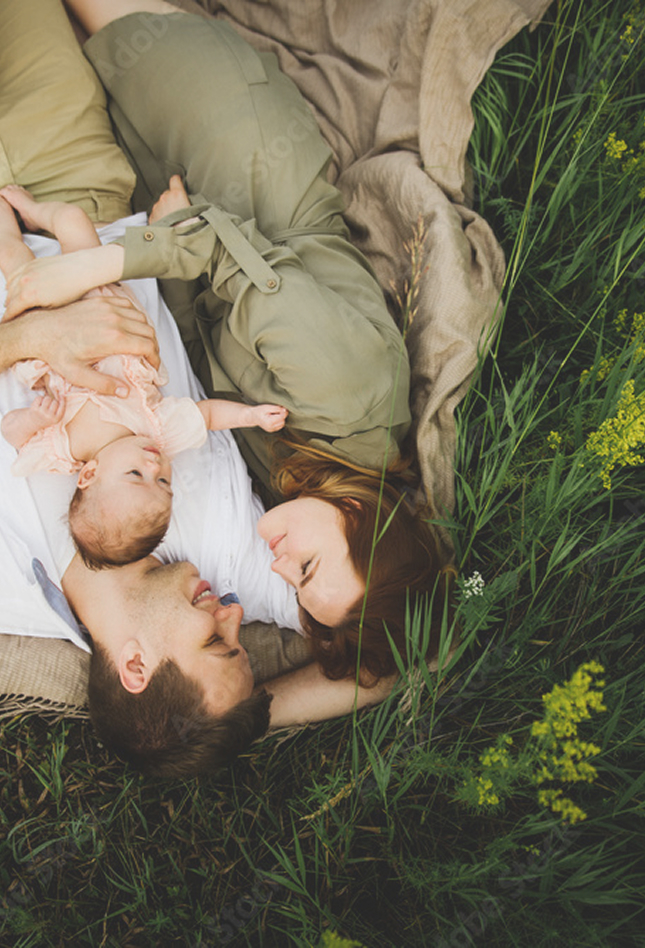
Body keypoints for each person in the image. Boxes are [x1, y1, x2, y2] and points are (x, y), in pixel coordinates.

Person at [6, 0, 456, 690]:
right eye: (305, 570)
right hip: (225, 147)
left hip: (150, 199)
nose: (276, 570)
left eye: (295, 589)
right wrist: (84, 266)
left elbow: (406, 663)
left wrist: (229, 725)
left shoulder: (301, 490)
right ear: (359, 517)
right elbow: (219, 247)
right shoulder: (343, 390)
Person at [0, 185, 287, 569]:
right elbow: (208, 416)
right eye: (165, 484)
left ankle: (6, 220)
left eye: (136, 475)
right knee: (73, 221)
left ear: (88, 475)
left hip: (48, 330)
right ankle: (35, 211)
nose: (156, 468)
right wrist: (251, 416)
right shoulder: (159, 432)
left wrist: (35, 419)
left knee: (14, 259)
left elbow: (12, 434)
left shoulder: (66, 449)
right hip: (99, 296)